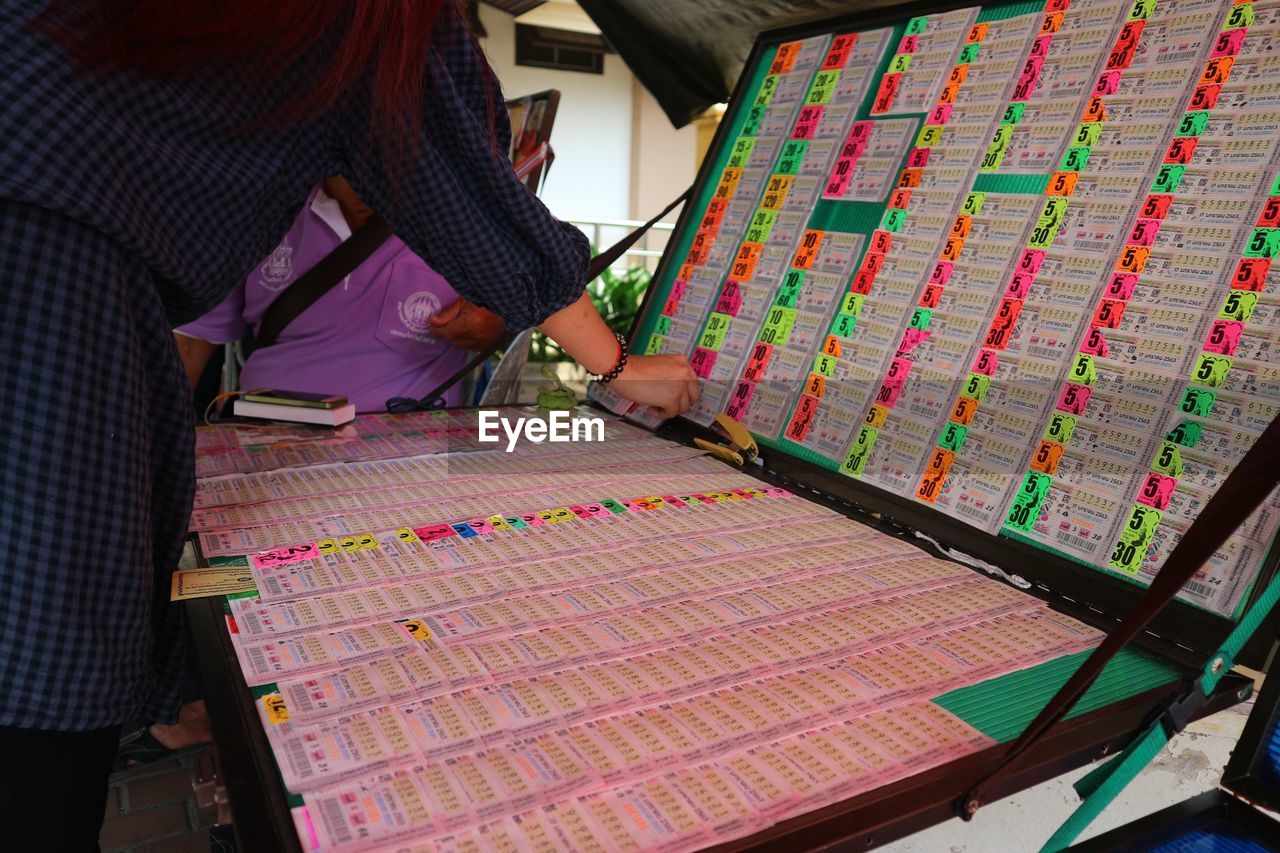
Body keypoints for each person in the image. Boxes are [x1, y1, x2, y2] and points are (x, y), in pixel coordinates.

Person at [0, 1, 699, 849]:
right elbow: (462, 184)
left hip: (413, 441)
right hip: (51, 304)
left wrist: (496, 323)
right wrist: (617, 364)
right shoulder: (376, 28)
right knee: (39, 700)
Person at [175, 175, 507, 412]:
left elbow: (541, 292)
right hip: (267, 435)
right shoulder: (257, 209)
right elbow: (189, 345)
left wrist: (498, 320)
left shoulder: (466, 220)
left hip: (407, 457)